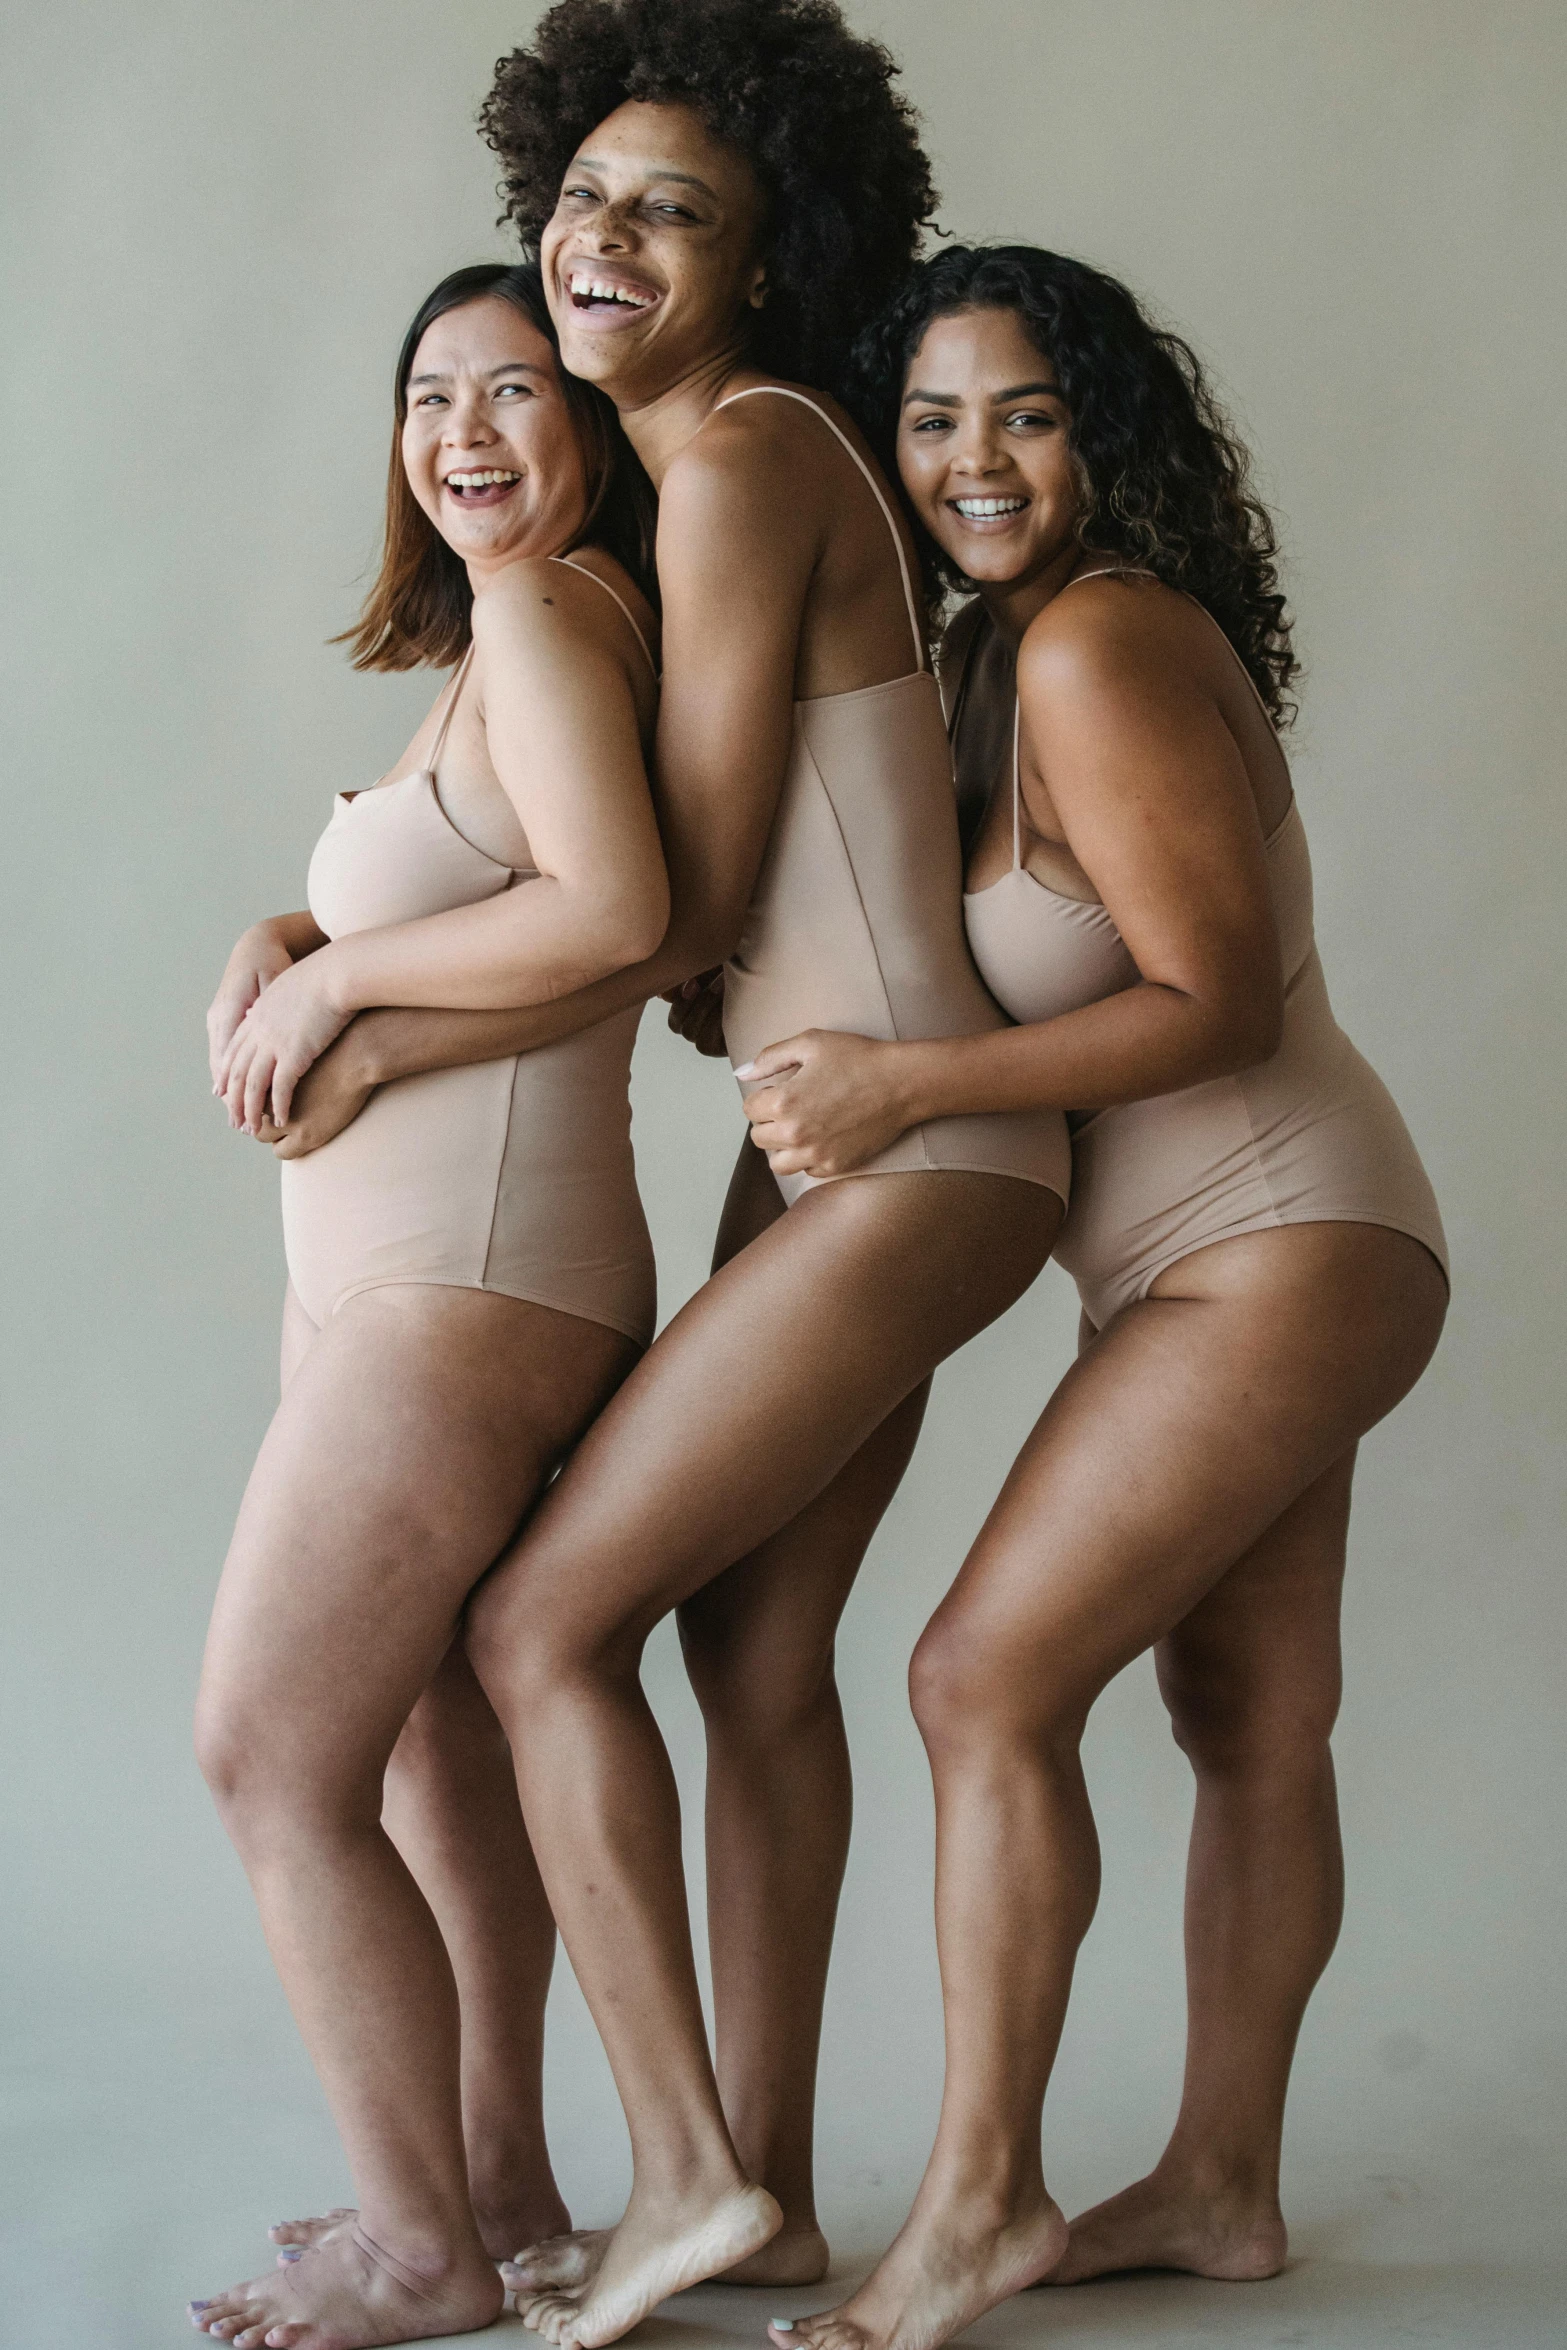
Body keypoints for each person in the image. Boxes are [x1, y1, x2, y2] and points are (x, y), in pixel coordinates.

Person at [235, 13, 1066, 2349]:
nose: (601, 239)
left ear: (768, 249)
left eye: (669, 208)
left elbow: (665, 911)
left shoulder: (741, 463)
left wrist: (346, 1002)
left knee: (532, 1631)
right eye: (583, 196)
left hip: (921, 1137)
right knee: (751, 1646)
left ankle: (691, 2172)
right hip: (855, 1144)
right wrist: (324, 941)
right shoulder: (706, 474)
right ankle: (771, 2198)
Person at [731, 245, 1448, 2350]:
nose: (973, 459)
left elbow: (1213, 1001)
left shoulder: (1103, 645)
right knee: (1249, 1716)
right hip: (1240, 1251)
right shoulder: (997, 657)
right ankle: (1226, 2188)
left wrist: (903, 1088)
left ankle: (975, 2206)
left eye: (1025, 412)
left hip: (1276, 1234)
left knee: (978, 1679)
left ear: (1100, 434)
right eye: (934, 418)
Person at [187, 260, 666, 2348]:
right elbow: (477, 875)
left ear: (593, 428)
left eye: (513, 388)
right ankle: (498, 2184)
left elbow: (619, 911)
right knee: (409, 1751)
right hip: (415, 1272)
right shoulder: (487, 642)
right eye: (426, 395)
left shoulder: (558, 610)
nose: (463, 429)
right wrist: (288, 925)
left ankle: (419, 2244)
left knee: (268, 1753)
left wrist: (342, 979)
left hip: (470, 1279)